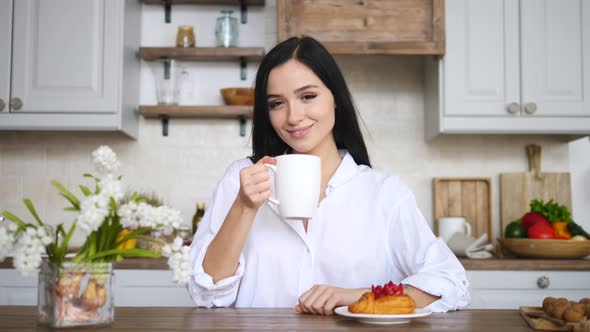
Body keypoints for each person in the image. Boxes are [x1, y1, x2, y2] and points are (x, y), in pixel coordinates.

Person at [188, 36, 470, 315]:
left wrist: (352, 296)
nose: (293, 116)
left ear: (336, 98)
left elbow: (450, 283)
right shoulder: (241, 179)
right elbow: (207, 293)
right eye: (276, 103)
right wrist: (244, 207)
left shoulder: (384, 193)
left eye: (308, 96)